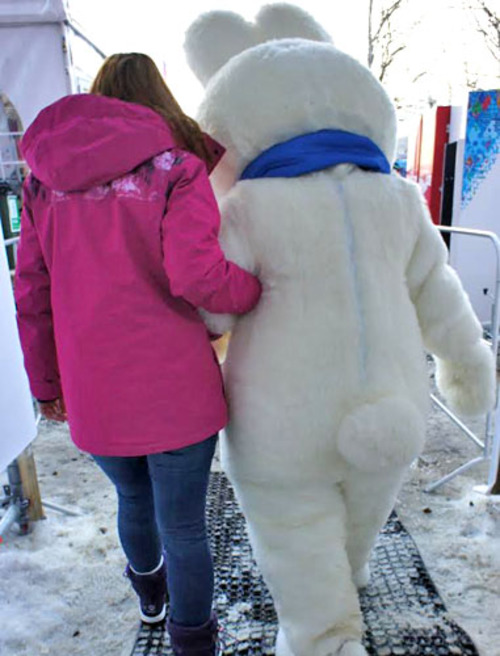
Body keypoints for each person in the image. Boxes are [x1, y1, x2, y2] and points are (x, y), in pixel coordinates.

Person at [14, 53, 262, 656]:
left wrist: (45, 383)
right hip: (175, 386)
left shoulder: (43, 181)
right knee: (184, 526)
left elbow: (32, 289)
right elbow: (197, 275)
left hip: (92, 388)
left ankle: (149, 597)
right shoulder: (176, 168)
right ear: (159, 98)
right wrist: (257, 290)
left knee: (132, 499)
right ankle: (194, 642)